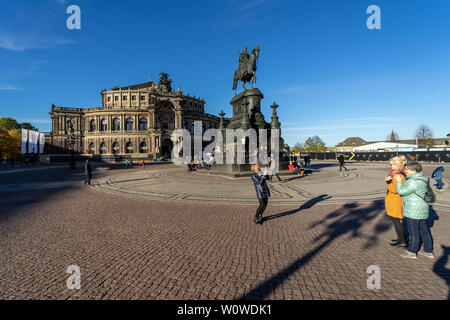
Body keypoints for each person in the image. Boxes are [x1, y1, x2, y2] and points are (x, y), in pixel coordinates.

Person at [395, 161, 434, 259]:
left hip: (413, 210)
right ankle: (428, 251)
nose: (405, 171)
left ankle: (412, 252)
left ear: (414, 170)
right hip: (421, 209)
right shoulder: (422, 179)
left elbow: (401, 192)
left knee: (413, 231)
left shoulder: (413, 181)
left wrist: (399, 182)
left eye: (407, 169)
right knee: (424, 230)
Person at [384, 156, 408, 248]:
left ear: (398, 165)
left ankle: (403, 241)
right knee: (396, 221)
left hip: (396, 201)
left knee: (396, 221)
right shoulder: (397, 174)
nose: (390, 166)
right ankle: (401, 238)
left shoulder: (398, 175)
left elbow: (396, 190)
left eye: (392, 164)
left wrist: (388, 182)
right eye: (390, 164)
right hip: (394, 200)